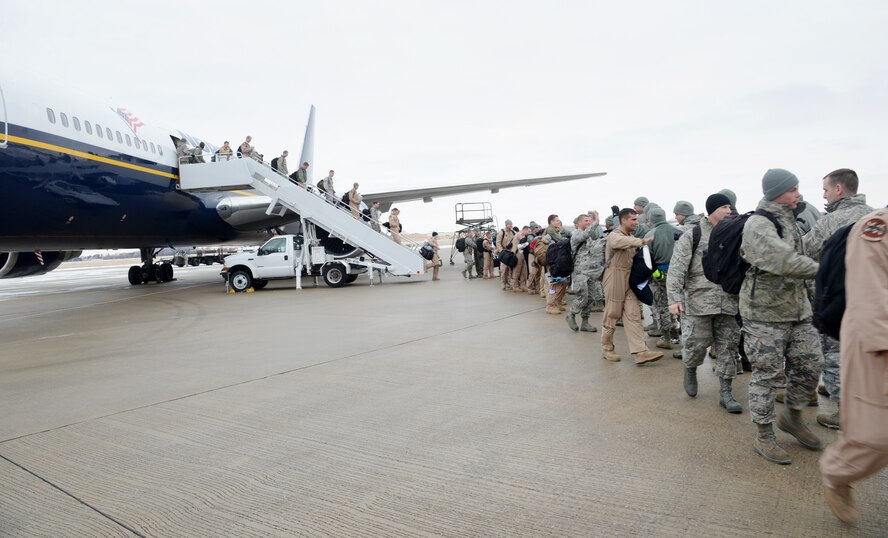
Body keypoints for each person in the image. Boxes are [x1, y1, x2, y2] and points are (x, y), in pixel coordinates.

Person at [741, 168, 822, 465]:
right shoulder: (758, 224)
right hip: (764, 314)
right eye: (793, 189)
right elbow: (785, 260)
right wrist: (827, 271)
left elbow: (805, 253)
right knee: (767, 375)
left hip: (798, 309)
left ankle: (793, 417)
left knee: (811, 363)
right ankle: (763, 435)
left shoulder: (791, 220)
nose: (798, 193)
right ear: (776, 192)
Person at [819, 206, 888, 525]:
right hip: (877, 342)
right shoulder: (875, 227)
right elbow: (870, 297)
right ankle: (836, 473)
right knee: (876, 434)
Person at [802, 168, 873, 430]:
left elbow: (804, 250)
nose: (824, 195)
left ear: (839, 190)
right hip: (873, 302)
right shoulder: (876, 216)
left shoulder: (830, 222)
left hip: (838, 301)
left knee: (833, 355)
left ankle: (845, 412)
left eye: (826, 190)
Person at [668, 193, 742, 413]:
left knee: (728, 348)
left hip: (729, 302)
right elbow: (677, 269)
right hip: (698, 303)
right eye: (725, 208)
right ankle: (690, 369)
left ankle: (726, 392)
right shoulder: (693, 235)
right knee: (695, 344)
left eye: (731, 208)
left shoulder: (736, 234)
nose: (729, 211)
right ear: (712, 210)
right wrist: (674, 299)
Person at [600, 208, 663, 365]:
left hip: (630, 279)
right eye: (633, 220)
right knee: (613, 314)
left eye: (637, 219)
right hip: (614, 277)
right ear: (623, 220)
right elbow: (617, 242)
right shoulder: (614, 235)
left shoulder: (632, 238)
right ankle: (607, 348)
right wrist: (641, 241)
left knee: (633, 314)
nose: (637, 222)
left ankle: (640, 352)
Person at [645, 207, 680, 349]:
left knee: (663, 305)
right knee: (678, 303)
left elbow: (647, 260)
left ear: (651, 219)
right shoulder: (678, 231)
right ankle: (676, 333)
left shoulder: (650, 234)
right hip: (678, 273)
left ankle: (666, 337)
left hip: (659, 274)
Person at [566, 213, 600, 333]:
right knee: (583, 296)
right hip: (580, 271)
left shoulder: (589, 235)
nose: (588, 222)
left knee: (591, 297)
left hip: (590, 270)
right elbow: (585, 235)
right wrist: (595, 222)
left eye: (589, 221)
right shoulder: (577, 234)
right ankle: (571, 314)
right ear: (579, 223)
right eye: (586, 221)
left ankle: (585, 322)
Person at [544, 214, 569, 315]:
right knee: (554, 284)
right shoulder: (550, 230)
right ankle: (550, 305)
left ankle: (557, 302)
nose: (559, 222)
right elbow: (561, 240)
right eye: (557, 220)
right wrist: (561, 232)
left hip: (557, 259)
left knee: (563, 282)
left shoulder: (555, 230)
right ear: (551, 222)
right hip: (553, 260)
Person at [509, 226, 530, 292]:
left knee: (524, 270)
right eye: (528, 231)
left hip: (521, 254)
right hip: (518, 253)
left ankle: (523, 285)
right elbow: (522, 243)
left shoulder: (519, 234)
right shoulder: (520, 234)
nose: (529, 233)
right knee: (517, 270)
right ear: (524, 230)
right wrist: (527, 242)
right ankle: (515, 286)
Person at [495, 220, 515, 290]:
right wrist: (501, 251)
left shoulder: (513, 232)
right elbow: (498, 243)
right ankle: (503, 284)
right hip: (504, 252)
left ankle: (510, 283)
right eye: (510, 224)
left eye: (511, 224)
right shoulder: (501, 232)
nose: (511, 226)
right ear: (506, 225)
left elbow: (516, 240)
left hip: (510, 252)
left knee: (510, 269)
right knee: (503, 270)